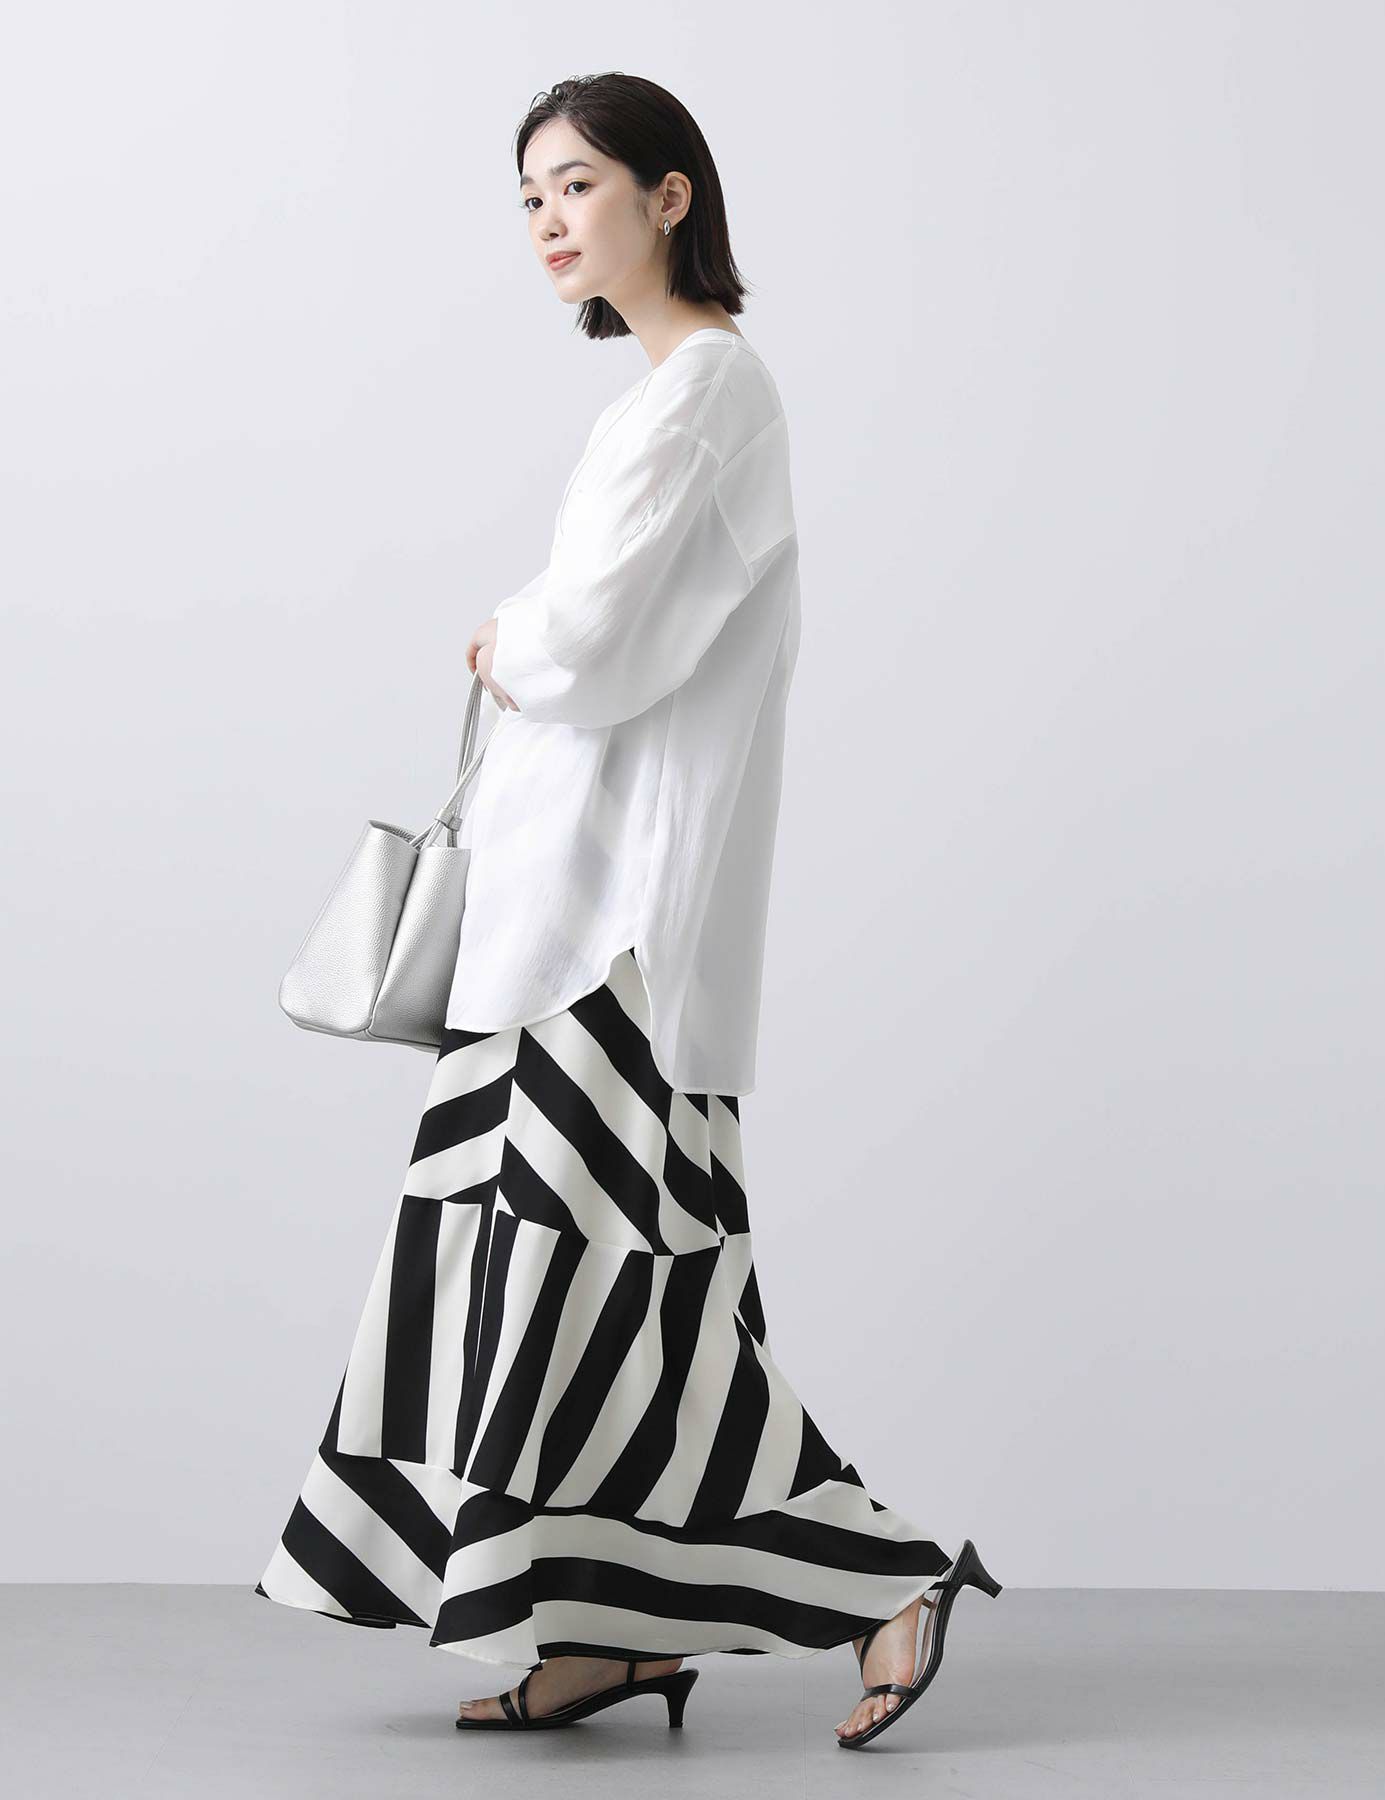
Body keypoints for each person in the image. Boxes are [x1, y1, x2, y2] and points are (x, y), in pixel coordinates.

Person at [254, 71, 999, 1751]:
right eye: (528, 196)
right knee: (564, 1302)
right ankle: (598, 1637)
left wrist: (504, 638)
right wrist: (530, 641)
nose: (547, 219)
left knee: (633, 1309)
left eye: (577, 184)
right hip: (551, 940)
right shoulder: (660, 400)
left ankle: (886, 1580)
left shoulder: (714, 390)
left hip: (615, 952)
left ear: (672, 197)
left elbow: (592, 642)